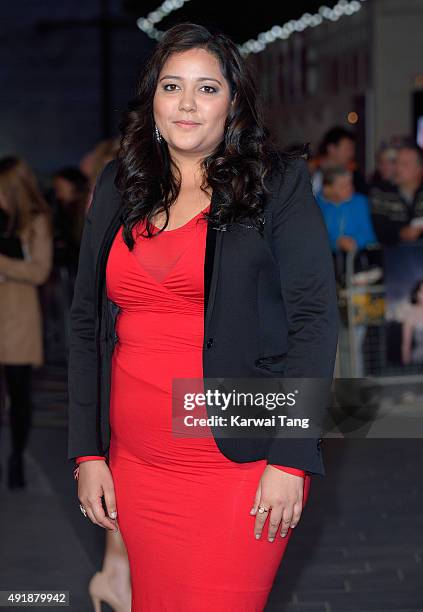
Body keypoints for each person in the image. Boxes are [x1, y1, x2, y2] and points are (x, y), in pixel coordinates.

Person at [67, 23, 339, 611]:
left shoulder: (276, 184)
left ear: (233, 102)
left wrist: (292, 456)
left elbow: (315, 319)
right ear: (154, 100)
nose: (187, 103)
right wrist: (87, 453)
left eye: (207, 88)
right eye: (172, 86)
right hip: (135, 462)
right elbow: (85, 321)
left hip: (238, 459)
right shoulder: (118, 186)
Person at [0, 156, 53, 488]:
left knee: (19, 395)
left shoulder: (36, 223)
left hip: (19, 319)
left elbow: (40, 271)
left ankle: (17, 455)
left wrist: (3, 263)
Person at [370, 144, 423, 246]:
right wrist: (402, 233)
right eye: (396, 162)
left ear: (419, 169)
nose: (397, 168)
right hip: (393, 255)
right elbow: (380, 232)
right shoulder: (381, 193)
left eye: (404, 164)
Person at [315, 166, 377, 254]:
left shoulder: (360, 201)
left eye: (350, 183)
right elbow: (313, 238)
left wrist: (355, 241)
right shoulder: (316, 205)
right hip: (323, 258)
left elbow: (370, 234)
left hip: (356, 258)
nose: (350, 188)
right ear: (327, 189)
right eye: (343, 185)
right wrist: (336, 244)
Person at [312, 126, 368, 195]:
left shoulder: (355, 176)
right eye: (347, 149)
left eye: (352, 149)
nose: (351, 153)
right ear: (331, 149)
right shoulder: (314, 175)